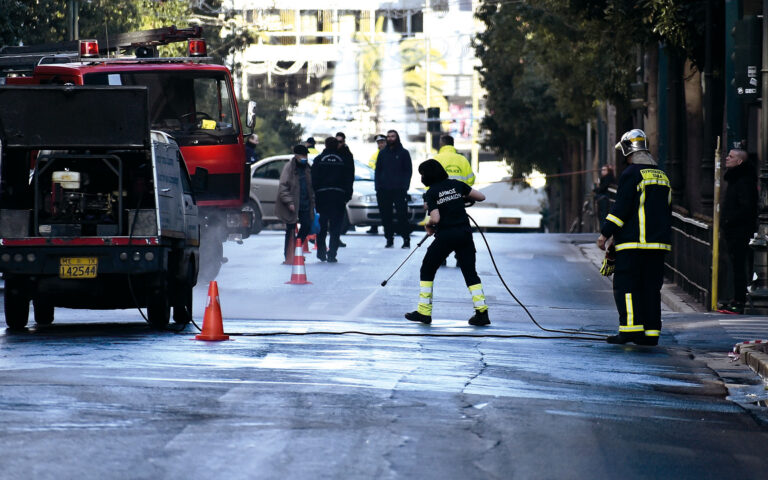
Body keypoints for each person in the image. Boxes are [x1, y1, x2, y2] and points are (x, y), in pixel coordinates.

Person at [597, 129, 672, 346]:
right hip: (658, 244)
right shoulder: (662, 175)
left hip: (633, 243)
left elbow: (622, 208)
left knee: (626, 286)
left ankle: (630, 330)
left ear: (628, 150)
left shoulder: (631, 174)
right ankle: (650, 334)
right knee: (650, 288)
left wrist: (605, 234)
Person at [404, 160, 489, 326]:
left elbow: (435, 218)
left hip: (446, 236)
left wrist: (428, 226)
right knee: (470, 273)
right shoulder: (456, 184)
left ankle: (424, 312)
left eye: (422, 174)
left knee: (427, 267)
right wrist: (460, 197)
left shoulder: (431, 192)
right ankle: (482, 313)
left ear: (427, 175)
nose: (421, 177)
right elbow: (481, 197)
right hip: (465, 235)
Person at [718, 148, 758, 314]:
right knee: (736, 266)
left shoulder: (743, 181)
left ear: (739, 161)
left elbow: (746, 207)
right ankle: (736, 298)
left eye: (731, 156)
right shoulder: (736, 179)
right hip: (734, 230)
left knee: (740, 267)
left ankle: (740, 300)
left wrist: (729, 220)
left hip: (740, 232)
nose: (727, 158)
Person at [312, 137, 354, 263]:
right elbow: (349, 178)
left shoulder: (319, 159)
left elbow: (313, 178)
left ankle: (321, 251)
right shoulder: (344, 160)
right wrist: (347, 195)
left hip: (322, 196)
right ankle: (332, 254)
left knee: (322, 226)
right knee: (335, 227)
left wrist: (314, 194)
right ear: (337, 146)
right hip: (338, 197)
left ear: (325, 145)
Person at [276, 145, 315, 264]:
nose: (305, 157)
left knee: (307, 226)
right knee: (291, 229)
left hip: (305, 203)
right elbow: (283, 187)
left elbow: (311, 186)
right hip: (292, 204)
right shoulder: (289, 167)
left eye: (306, 155)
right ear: (297, 156)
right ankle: (288, 254)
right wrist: (289, 202)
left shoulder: (308, 168)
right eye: (303, 155)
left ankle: (297, 248)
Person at [375, 129, 413, 249]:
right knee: (386, 216)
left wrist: (405, 186)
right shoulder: (382, 154)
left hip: (399, 190)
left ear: (397, 137)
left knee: (402, 215)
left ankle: (406, 239)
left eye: (393, 136)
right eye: (389, 136)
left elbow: (408, 171)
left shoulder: (404, 153)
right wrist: (378, 187)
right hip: (384, 190)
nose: (390, 138)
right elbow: (378, 171)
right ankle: (389, 238)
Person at [334, 131, 352, 247]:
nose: (338, 144)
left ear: (344, 142)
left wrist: (349, 191)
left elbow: (350, 174)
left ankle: (336, 238)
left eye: (340, 142)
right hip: (329, 190)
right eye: (336, 142)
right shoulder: (330, 153)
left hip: (341, 191)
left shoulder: (347, 155)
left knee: (338, 217)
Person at [366, 134, 387, 234]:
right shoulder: (375, 155)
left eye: (382, 142)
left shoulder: (389, 153)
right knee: (376, 205)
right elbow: (371, 168)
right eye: (379, 142)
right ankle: (374, 226)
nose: (380, 144)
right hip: (377, 183)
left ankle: (386, 227)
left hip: (387, 184)